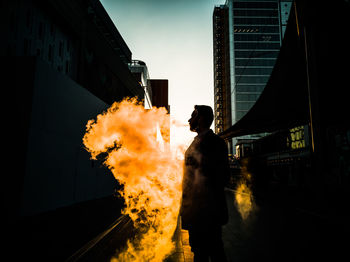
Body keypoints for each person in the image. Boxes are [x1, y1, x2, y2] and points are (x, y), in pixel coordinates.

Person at [180, 105, 229, 262]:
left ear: (201, 119)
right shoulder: (197, 143)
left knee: (213, 252)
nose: (190, 119)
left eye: (193, 115)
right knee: (199, 252)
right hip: (197, 212)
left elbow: (222, 177)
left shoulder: (216, 143)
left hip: (207, 212)